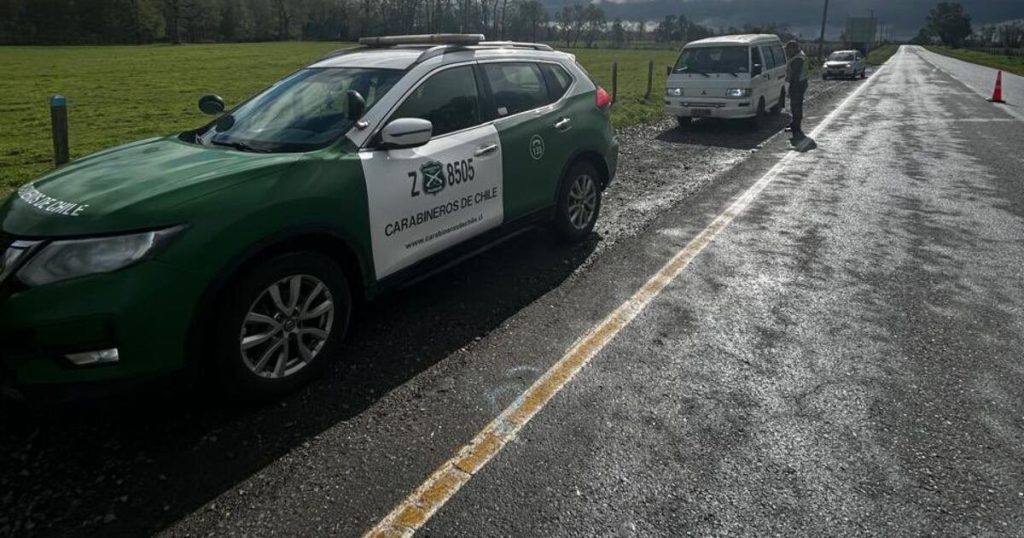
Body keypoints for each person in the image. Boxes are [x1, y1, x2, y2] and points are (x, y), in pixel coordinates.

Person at [785, 41, 809, 141]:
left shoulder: (798, 59)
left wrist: (791, 88)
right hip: (801, 83)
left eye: (788, 49)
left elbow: (795, 75)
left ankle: (796, 127)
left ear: (793, 48)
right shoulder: (799, 55)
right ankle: (794, 123)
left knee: (796, 106)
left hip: (798, 84)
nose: (787, 52)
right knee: (795, 105)